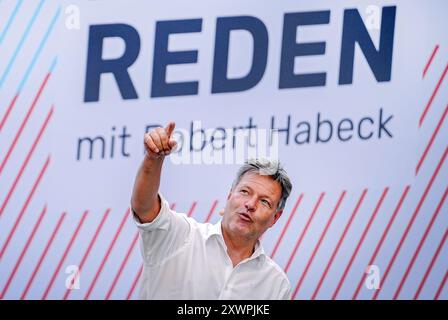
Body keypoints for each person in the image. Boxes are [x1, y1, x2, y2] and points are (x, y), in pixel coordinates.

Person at [130, 121, 293, 299]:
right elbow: (144, 206)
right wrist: (152, 159)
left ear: (275, 218)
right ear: (230, 195)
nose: (250, 204)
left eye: (264, 202)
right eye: (245, 192)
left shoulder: (276, 284)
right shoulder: (181, 236)